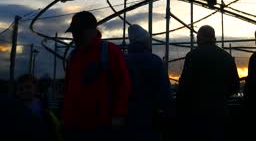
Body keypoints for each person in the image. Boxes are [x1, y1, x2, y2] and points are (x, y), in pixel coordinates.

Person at [62, 11, 132, 140]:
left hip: (101, 126)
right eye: (73, 32)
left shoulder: (110, 51)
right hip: (75, 125)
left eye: (78, 32)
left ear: (91, 30)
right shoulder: (74, 55)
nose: (74, 36)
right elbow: (68, 87)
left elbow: (123, 84)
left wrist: (118, 114)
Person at [176, 25, 239, 141]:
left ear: (199, 38)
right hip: (219, 113)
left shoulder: (192, 56)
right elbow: (235, 86)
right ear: (213, 38)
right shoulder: (226, 57)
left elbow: (184, 87)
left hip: (196, 115)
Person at [125, 24, 173, 140]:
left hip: (126, 117)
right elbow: (164, 92)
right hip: (150, 116)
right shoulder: (155, 61)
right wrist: (170, 113)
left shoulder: (122, 60)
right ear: (145, 41)